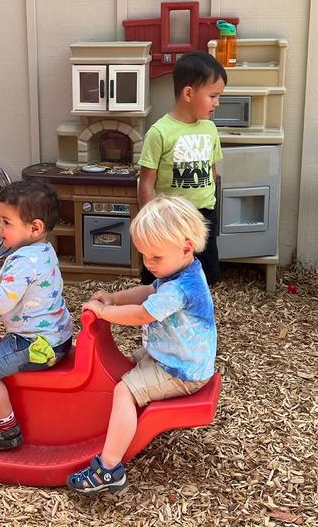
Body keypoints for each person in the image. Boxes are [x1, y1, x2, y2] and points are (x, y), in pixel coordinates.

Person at [67, 196, 217, 494]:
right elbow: (148, 291)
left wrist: (104, 312)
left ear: (186, 247)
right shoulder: (181, 270)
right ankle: (118, 425)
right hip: (172, 355)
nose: (149, 264)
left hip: (182, 371)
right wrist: (114, 298)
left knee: (124, 390)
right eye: (144, 256)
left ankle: (109, 469)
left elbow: (142, 314)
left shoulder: (180, 288)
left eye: (155, 257)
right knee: (127, 366)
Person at [0, 180, 73, 451]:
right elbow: (19, 285)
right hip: (59, 340)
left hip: (36, 345)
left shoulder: (23, 260)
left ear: (35, 228)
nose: (0, 227)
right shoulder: (43, 251)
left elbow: (3, 302)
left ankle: (6, 431)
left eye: (6, 222)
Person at [137, 50, 226, 286]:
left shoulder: (210, 129)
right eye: (213, 96)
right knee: (162, 275)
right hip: (169, 219)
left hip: (203, 216)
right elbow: (146, 183)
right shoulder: (159, 132)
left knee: (202, 277)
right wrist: (150, 222)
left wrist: (212, 203)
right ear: (188, 93)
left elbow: (212, 171)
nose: (217, 103)